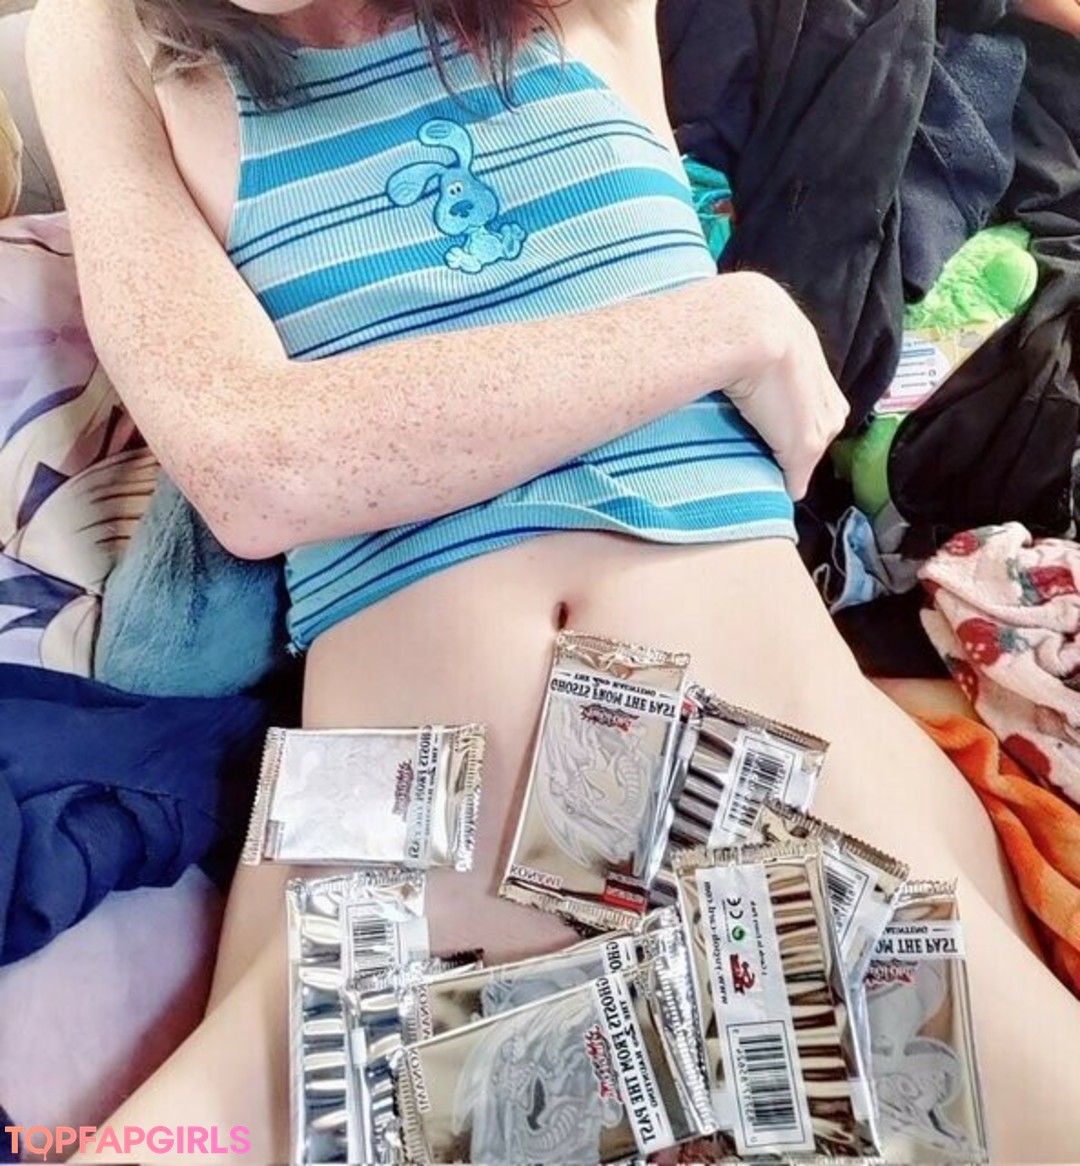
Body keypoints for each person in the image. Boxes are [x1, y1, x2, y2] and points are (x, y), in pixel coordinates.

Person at [27, 0, 1080, 1159]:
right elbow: (251, 467)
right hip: (387, 920)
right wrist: (730, 327)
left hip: (788, 824)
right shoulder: (98, 34)